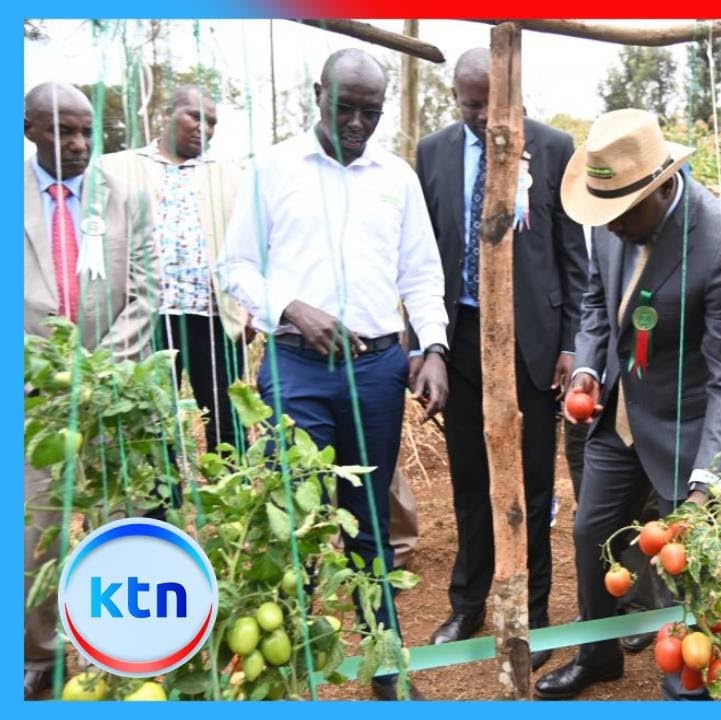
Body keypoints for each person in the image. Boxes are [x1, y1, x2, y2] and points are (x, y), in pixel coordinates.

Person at [221, 48, 449, 700]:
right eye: (344, 107)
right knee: (293, 517)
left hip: (377, 370)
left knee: (369, 520)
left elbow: (420, 274)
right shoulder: (272, 169)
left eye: (370, 112)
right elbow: (237, 267)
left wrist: (432, 349)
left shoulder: (396, 176)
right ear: (315, 93)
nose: (356, 123)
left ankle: (387, 665)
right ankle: (280, 669)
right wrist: (292, 307)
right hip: (295, 365)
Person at [534, 108, 721, 700]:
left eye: (621, 216)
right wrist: (587, 368)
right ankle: (599, 654)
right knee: (590, 533)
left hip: (685, 424)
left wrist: (710, 477)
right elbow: (594, 301)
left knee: (684, 558)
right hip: (619, 412)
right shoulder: (609, 216)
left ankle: (686, 669)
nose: (609, 228)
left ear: (660, 188)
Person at [413, 47, 588, 670]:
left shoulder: (555, 147)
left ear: (516, 92)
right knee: (468, 482)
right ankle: (469, 604)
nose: (485, 115)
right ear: (454, 96)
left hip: (532, 340)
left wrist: (570, 344)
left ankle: (534, 613)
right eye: (471, 102)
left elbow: (573, 253)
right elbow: (423, 253)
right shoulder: (432, 153)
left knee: (534, 486)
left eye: (495, 101)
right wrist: (424, 344)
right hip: (459, 339)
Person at [23, 82, 156, 699]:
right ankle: (41, 659)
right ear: (29, 130)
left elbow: (145, 291)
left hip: (112, 395)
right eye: (62, 132)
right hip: (31, 401)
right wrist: (45, 367)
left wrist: (102, 370)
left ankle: (122, 648)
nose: (79, 145)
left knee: (119, 522)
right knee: (34, 533)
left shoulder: (121, 196)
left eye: (87, 132)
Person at [100, 85, 249, 453]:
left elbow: (254, 247)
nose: (205, 128)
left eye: (212, 122)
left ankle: (232, 498)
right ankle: (160, 505)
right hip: (147, 317)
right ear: (167, 113)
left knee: (226, 417)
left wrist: (250, 312)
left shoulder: (233, 176)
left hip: (214, 318)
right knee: (150, 418)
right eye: (194, 116)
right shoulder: (118, 168)